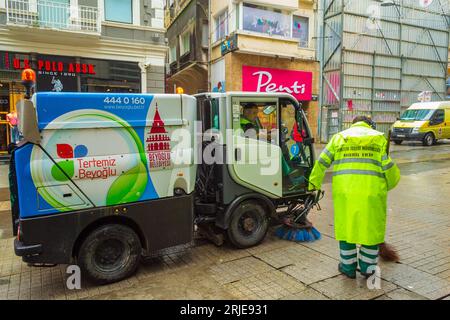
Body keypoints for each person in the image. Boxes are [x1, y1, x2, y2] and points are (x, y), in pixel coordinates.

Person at [308, 116, 400, 279]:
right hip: (371, 194)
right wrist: (389, 184)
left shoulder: (339, 138)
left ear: (353, 124)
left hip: (345, 193)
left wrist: (313, 185)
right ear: (369, 125)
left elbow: (321, 162)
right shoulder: (378, 138)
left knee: (346, 229)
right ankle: (368, 268)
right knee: (370, 231)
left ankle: (348, 268)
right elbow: (389, 169)